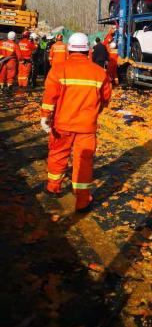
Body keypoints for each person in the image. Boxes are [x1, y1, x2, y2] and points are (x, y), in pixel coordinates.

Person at [40, 32, 112, 212]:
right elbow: (105, 99)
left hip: (62, 123)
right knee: (83, 162)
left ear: (68, 49)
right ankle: (82, 201)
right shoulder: (99, 72)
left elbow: (50, 97)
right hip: (86, 127)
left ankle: (53, 187)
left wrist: (44, 116)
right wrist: (93, 112)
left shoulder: (58, 70)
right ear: (88, 50)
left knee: (57, 154)